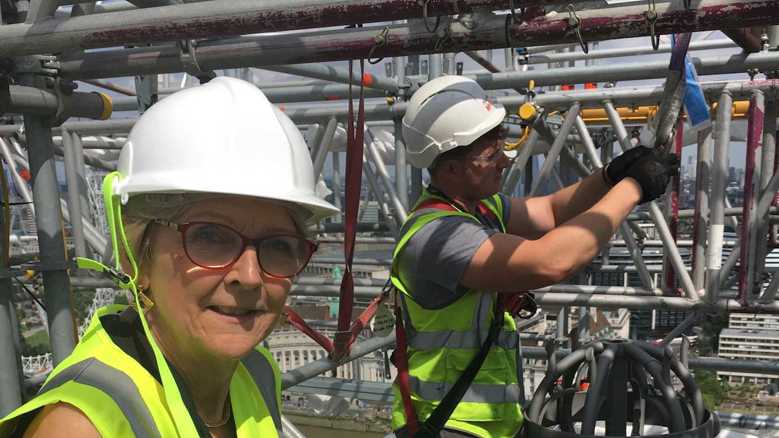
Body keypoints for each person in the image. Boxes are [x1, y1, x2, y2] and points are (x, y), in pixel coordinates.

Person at [0, 77, 338, 438]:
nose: (251, 275)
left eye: (278, 245)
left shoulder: (256, 371)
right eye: (209, 236)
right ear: (137, 257)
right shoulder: (82, 427)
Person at [390, 75, 678, 438]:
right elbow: (549, 261)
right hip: (449, 425)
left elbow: (551, 211)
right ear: (451, 168)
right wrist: (633, 187)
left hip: (482, 425)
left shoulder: (480, 209)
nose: (506, 160)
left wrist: (610, 176)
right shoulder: (437, 236)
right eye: (492, 154)